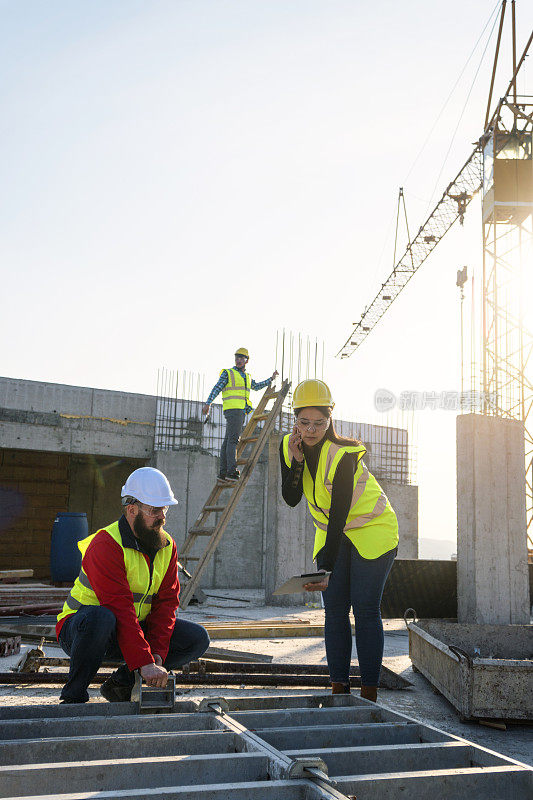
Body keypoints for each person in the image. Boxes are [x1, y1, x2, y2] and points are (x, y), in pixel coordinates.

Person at [279, 379, 398, 702]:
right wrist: (297, 461)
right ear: (295, 420)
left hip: (373, 530)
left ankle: (369, 692)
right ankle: (338, 689)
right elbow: (290, 497)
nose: (312, 430)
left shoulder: (345, 454)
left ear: (331, 419)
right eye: (304, 422)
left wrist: (327, 568)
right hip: (333, 534)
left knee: (364, 608)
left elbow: (339, 514)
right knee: (334, 609)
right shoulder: (289, 446)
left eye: (320, 423)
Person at [56, 467, 210, 703]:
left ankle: (121, 685)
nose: (162, 517)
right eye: (154, 510)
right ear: (132, 510)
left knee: (197, 638)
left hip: (128, 631)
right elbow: (119, 608)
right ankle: (74, 694)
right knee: (102, 617)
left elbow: (166, 606)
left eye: (164, 509)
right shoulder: (106, 544)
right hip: (83, 632)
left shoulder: (167, 546)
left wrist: (156, 655)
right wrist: (144, 662)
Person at [202, 347, 278, 482]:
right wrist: (208, 403)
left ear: (247, 361)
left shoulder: (247, 377)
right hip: (234, 411)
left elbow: (255, 386)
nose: (238, 360)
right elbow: (217, 388)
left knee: (227, 441)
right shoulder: (229, 373)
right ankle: (231, 472)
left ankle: (223, 473)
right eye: (237, 357)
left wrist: (270, 379)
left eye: (242, 358)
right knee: (233, 441)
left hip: (240, 411)